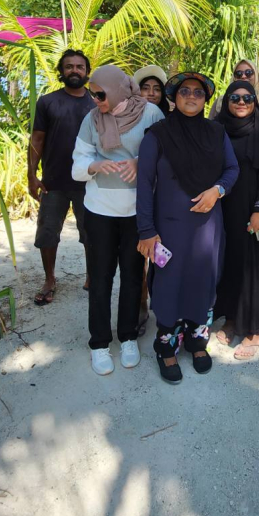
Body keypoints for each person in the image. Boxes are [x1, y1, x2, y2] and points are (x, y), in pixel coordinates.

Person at [136, 72, 239, 383]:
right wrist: (146, 230)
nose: (191, 96)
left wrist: (217, 190)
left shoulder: (216, 133)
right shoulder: (158, 134)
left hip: (208, 226)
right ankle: (165, 345)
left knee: (202, 280)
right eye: (184, 91)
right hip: (168, 228)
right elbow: (143, 183)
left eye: (198, 92)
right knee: (169, 282)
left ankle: (196, 341)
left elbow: (232, 169)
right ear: (174, 97)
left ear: (206, 99)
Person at [72, 65, 163, 375]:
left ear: (117, 89)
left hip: (137, 211)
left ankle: (127, 338)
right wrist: (95, 167)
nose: (95, 98)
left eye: (100, 93)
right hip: (99, 211)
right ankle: (98, 343)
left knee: (132, 276)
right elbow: (78, 165)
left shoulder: (150, 114)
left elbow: (165, 153)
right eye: (92, 93)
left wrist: (141, 162)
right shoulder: (92, 119)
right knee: (100, 278)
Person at [215, 80, 259, 358]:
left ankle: (253, 329)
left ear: (255, 101)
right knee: (229, 261)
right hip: (223, 207)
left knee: (255, 265)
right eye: (235, 98)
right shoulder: (217, 130)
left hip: (253, 209)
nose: (241, 102)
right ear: (226, 101)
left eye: (247, 98)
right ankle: (231, 317)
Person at [29, 49, 94, 306]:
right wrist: (31, 176)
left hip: (88, 183)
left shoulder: (96, 103)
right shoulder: (47, 102)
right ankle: (49, 279)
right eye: (69, 66)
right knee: (47, 232)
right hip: (52, 181)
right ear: (61, 71)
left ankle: (92, 276)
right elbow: (37, 139)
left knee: (91, 233)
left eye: (79, 66)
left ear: (87, 72)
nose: (74, 70)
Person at [133, 64, 169, 336]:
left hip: (164, 198)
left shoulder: (171, 117)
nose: (151, 93)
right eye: (146, 88)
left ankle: (164, 309)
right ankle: (140, 308)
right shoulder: (126, 113)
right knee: (139, 256)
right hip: (133, 193)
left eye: (157, 89)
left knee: (162, 256)